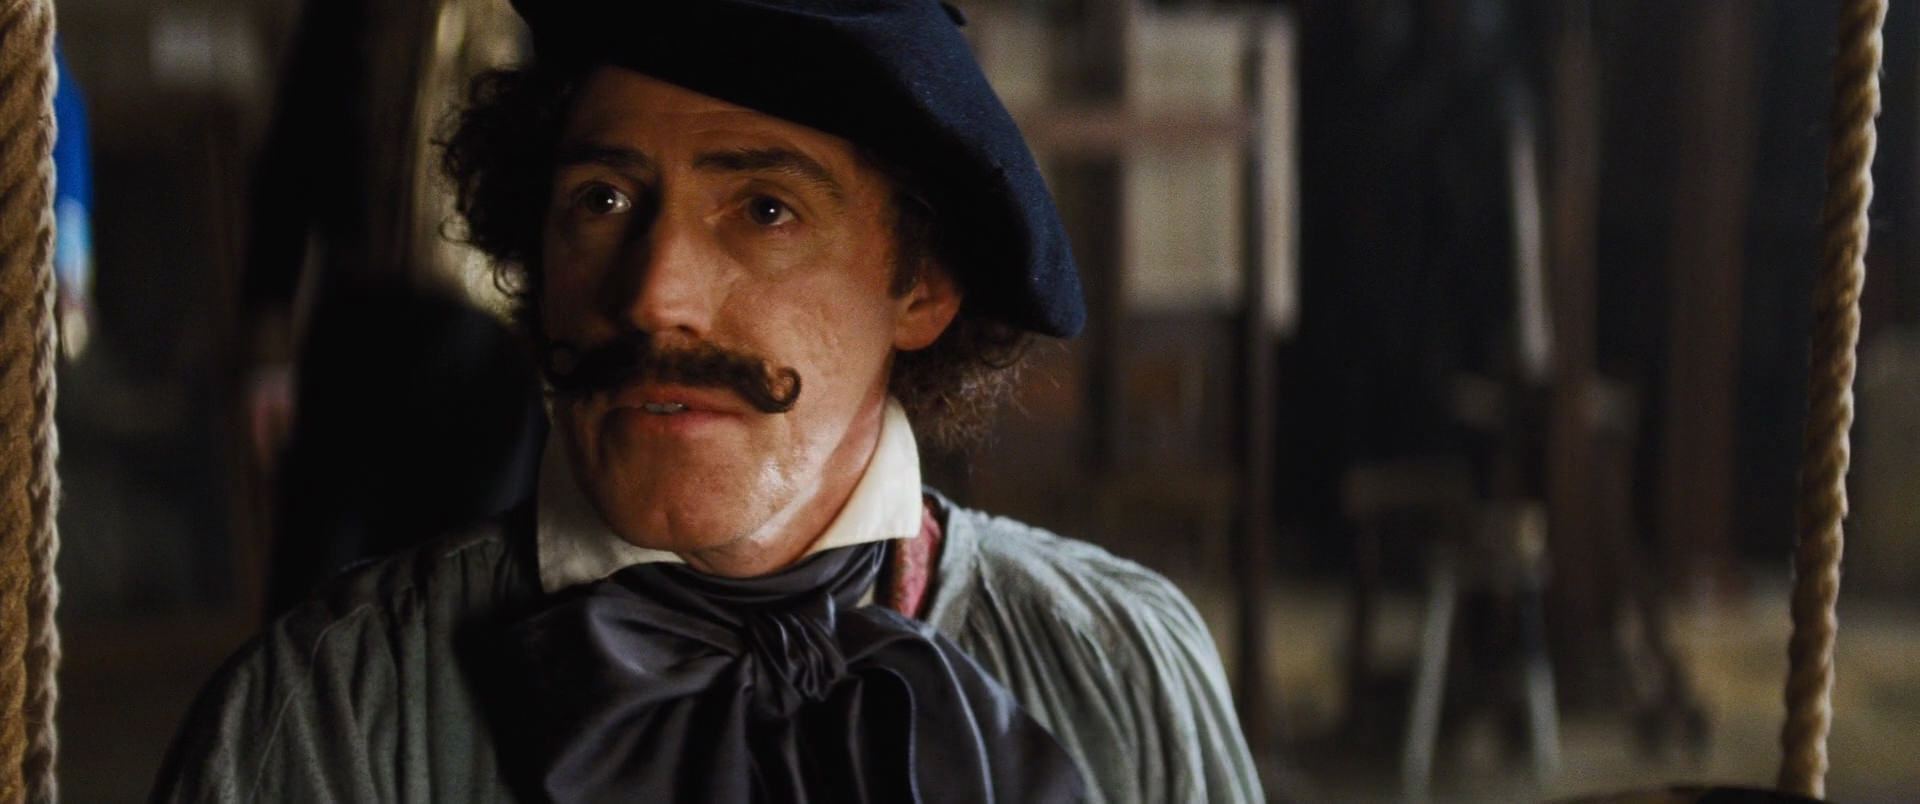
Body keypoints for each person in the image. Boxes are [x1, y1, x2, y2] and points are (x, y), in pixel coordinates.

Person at [154, 2, 1263, 801]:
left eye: (766, 210)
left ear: (922, 284)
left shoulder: (1121, 668)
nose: (654, 296)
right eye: (603, 200)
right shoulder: (327, 716)